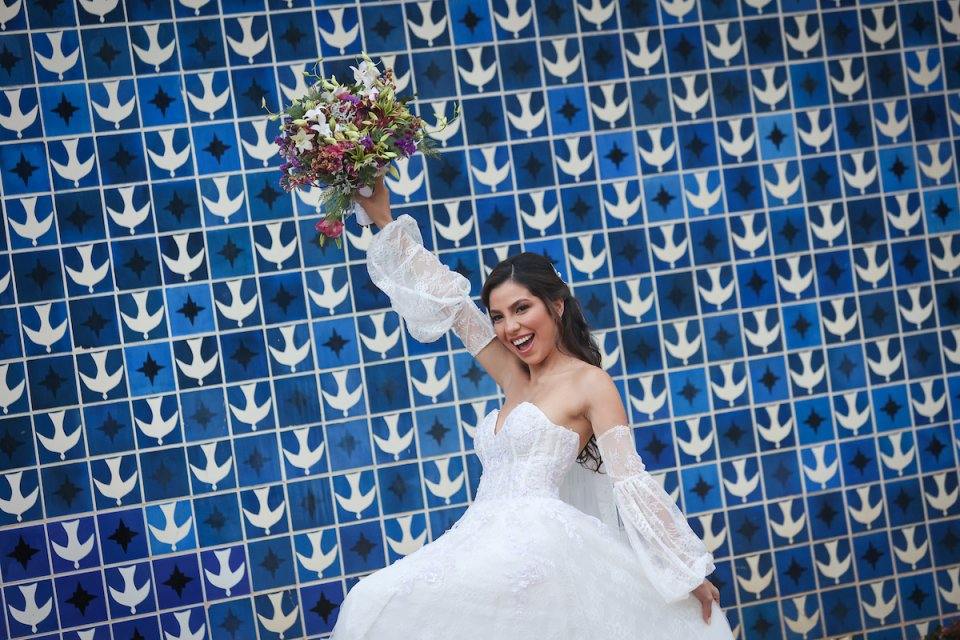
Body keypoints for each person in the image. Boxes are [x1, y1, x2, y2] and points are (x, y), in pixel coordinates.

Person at [328, 177, 735, 639]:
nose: (509, 327)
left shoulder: (590, 383)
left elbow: (632, 482)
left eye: (522, 309)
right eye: (499, 316)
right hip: (480, 535)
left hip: (538, 546)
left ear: (556, 306)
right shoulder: (513, 375)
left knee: (378, 605)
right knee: (371, 603)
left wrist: (686, 571)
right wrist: (383, 217)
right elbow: (454, 307)